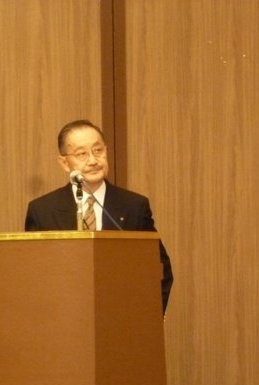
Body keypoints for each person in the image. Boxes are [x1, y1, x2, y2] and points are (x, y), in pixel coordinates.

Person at [25, 119, 173, 313]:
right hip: (62, 320)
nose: (93, 161)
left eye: (98, 150)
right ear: (64, 162)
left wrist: (147, 317)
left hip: (121, 318)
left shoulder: (134, 206)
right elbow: (33, 277)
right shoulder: (43, 210)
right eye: (82, 154)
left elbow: (160, 269)